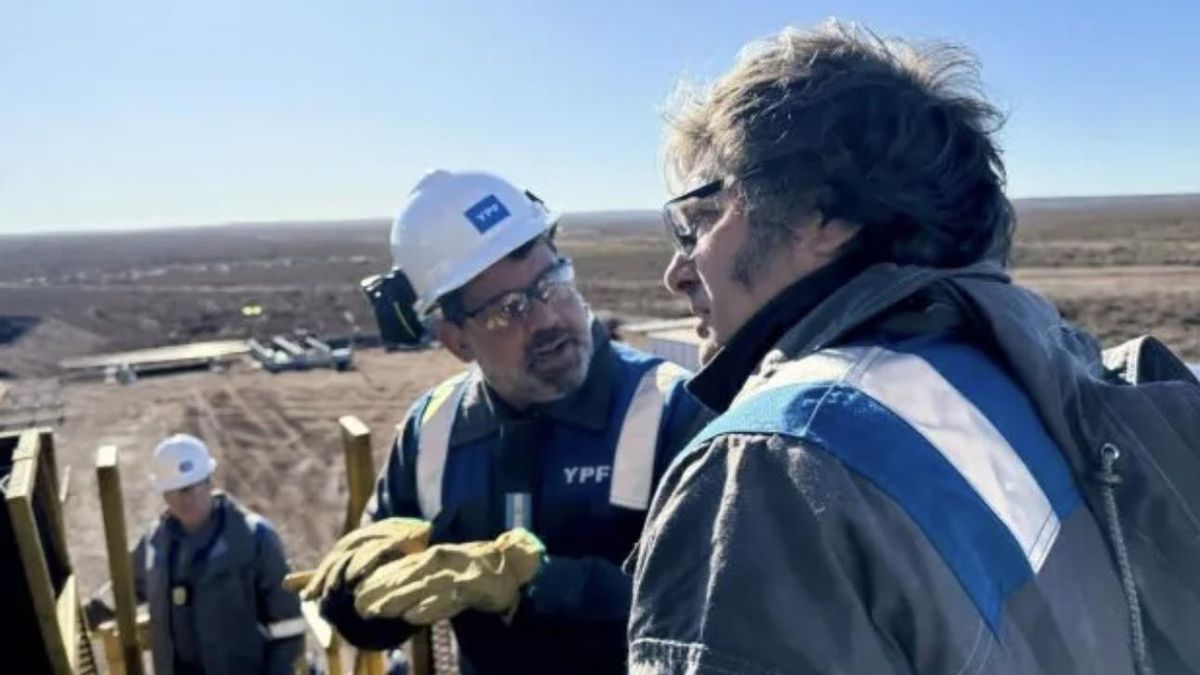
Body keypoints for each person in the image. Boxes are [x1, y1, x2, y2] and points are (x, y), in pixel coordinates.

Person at [628, 22, 1160, 675]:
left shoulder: (776, 463)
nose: (676, 272)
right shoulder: (1012, 374)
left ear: (823, 214)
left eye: (699, 221)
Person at [302, 169, 706, 675]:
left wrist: (538, 580)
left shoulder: (673, 410)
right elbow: (372, 618)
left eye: (552, 284)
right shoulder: (433, 433)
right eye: (507, 310)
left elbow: (712, 606)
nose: (547, 320)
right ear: (457, 340)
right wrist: (357, 595)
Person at [125, 434, 305, 675]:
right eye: (173, 492)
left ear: (209, 483)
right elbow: (125, 587)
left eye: (190, 488)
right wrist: (84, 615)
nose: (184, 499)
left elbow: (288, 627)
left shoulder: (254, 539)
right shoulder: (155, 543)